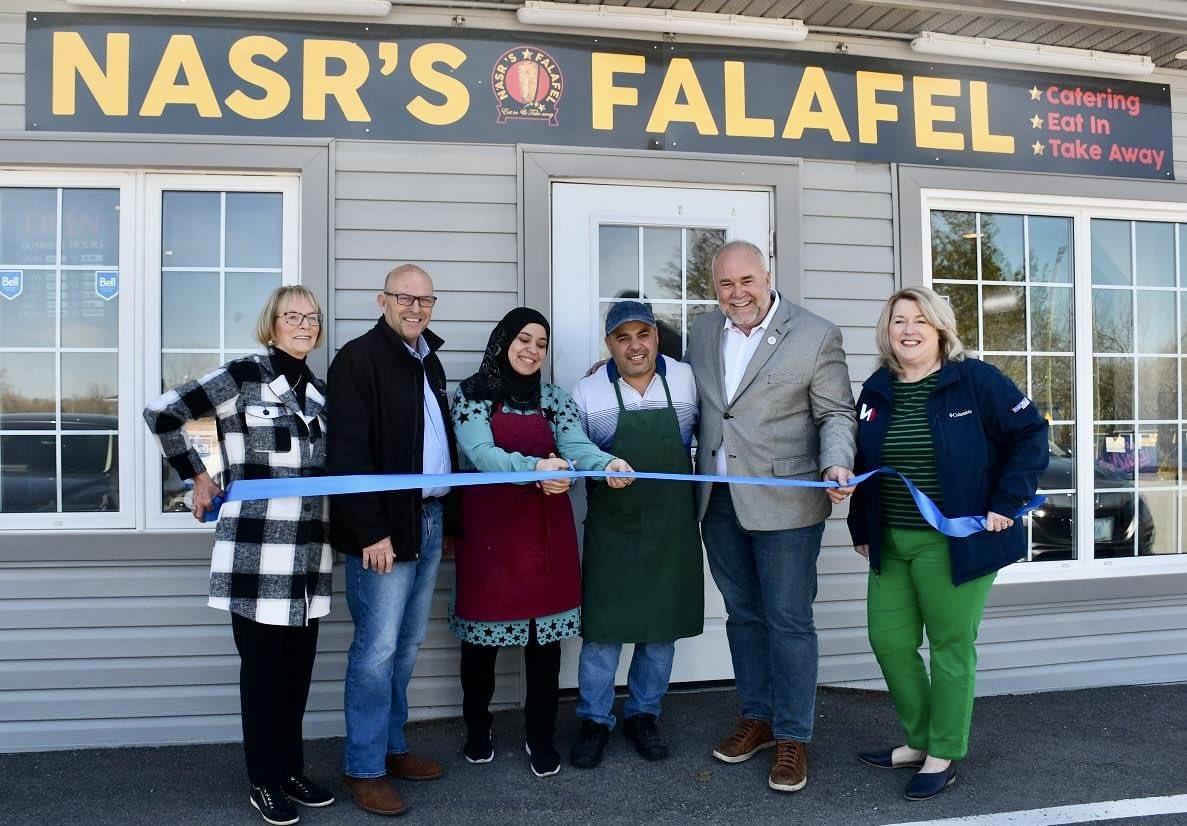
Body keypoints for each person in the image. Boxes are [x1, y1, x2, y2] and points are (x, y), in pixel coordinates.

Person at [143, 285, 335, 826]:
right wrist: (197, 476)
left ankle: (291, 769)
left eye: (311, 317)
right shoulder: (244, 375)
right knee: (263, 674)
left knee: (298, 674)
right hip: (256, 554)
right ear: (271, 324)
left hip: (307, 559)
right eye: (291, 315)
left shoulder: (321, 394)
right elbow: (162, 412)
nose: (304, 324)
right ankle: (264, 779)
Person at [848, 287, 1048, 800]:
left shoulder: (974, 381)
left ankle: (943, 750)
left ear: (940, 329)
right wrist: (861, 526)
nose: (908, 329)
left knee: (950, 647)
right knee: (889, 641)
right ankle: (918, 740)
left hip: (956, 543)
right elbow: (863, 461)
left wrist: (1007, 499)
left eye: (920, 320)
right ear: (886, 330)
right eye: (898, 321)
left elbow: (1031, 432)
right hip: (890, 542)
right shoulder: (875, 389)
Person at [685, 239, 857, 794]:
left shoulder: (814, 333)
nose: (738, 295)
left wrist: (836, 462)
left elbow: (835, 412)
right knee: (744, 616)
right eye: (725, 285)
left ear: (767, 276)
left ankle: (792, 736)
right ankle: (756, 717)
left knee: (788, 621)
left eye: (747, 282)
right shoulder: (703, 333)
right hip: (719, 501)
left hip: (787, 502)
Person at [449, 307, 633, 778]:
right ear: (504, 340)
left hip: (546, 533)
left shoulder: (554, 399)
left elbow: (574, 446)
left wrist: (605, 464)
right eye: (524, 340)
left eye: (542, 343)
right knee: (481, 646)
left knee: (544, 646)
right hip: (490, 536)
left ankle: (540, 734)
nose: (533, 350)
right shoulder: (471, 396)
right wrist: (535, 470)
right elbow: (480, 453)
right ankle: (477, 727)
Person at [327, 265, 459, 817]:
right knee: (376, 651)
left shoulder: (428, 360)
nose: (416, 308)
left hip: (426, 520)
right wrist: (369, 531)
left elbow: (437, 442)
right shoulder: (358, 360)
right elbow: (348, 453)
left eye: (426, 300)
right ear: (382, 299)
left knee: (404, 648)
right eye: (406, 298)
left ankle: (392, 746)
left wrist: (447, 522)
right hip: (383, 529)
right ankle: (364, 767)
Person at [568, 301, 703, 769]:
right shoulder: (586, 391)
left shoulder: (687, 380)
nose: (634, 346)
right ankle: (594, 719)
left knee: (659, 630)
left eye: (642, 334)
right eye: (622, 337)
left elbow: (715, 432)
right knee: (603, 633)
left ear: (655, 337)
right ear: (609, 344)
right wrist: (599, 463)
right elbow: (574, 448)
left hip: (671, 528)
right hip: (613, 528)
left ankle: (644, 714)